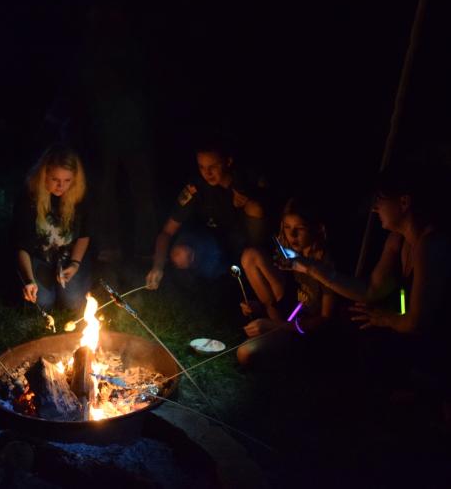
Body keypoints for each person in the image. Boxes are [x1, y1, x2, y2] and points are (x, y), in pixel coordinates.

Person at [281, 164, 451, 395]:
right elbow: (371, 290)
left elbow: (416, 322)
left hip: (439, 342)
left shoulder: (430, 246)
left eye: (380, 200)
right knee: (354, 316)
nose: (374, 208)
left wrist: (385, 318)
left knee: (371, 334)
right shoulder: (396, 239)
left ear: (403, 203)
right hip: (413, 331)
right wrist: (311, 268)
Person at [146, 142, 265, 289]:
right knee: (180, 254)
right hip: (208, 246)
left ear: (228, 162)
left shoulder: (243, 182)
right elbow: (167, 232)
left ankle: (252, 269)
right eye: (202, 167)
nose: (207, 173)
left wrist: (249, 200)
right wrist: (157, 267)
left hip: (241, 245)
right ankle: (200, 282)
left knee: (255, 208)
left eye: (213, 167)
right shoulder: (197, 188)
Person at [236, 198, 336, 367]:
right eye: (288, 227)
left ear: (316, 229)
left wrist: (276, 326)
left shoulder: (326, 266)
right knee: (251, 255)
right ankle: (272, 333)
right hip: (285, 319)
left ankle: (288, 355)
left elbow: (324, 321)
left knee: (244, 354)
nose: (292, 235)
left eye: (300, 228)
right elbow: (285, 294)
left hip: (303, 332)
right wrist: (258, 307)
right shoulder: (290, 255)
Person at [14, 144, 91, 312]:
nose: (61, 186)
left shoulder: (79, 196)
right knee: (42, 303)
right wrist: (29, 280)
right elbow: (22, 245)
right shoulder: (29, 197)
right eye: (55, 179)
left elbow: (84, 234)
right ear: (44, 174)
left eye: (67, 181)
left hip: (68, 256)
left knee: (75, 303)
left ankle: (64, 288)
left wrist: (75, 264)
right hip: (40, 256)